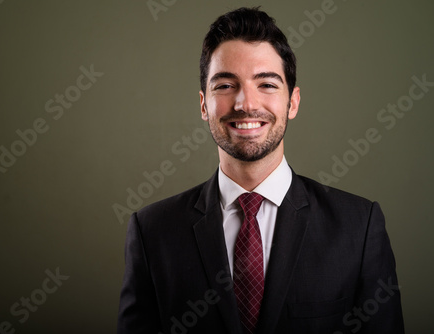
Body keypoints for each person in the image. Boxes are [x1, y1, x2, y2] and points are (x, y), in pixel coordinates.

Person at [117, 7, 404, 334]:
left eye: (266, 84)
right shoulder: (152, 231)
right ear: (202, 104)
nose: (245, 103)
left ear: (292, 102)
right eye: (225, 85)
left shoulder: (359, 227)